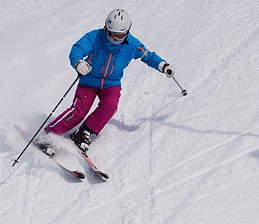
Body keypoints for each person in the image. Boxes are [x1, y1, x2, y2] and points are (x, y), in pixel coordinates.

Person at [35, 9, 174, 154]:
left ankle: (85, 131)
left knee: (110, 106)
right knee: (79, 111)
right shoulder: (95, 37)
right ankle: (49, 134)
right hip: (88, 81)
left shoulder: (132, 44)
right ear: (105, 28)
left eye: (119, 35)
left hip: (111, 83)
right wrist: (78, 63)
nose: (114, 37)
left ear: (126, 32)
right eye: (111, 33)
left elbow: (148, 56)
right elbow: (78, 48)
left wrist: (162, 65)